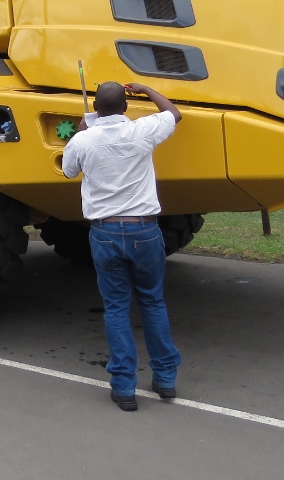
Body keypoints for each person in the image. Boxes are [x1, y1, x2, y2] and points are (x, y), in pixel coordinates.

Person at [61, 80, 182, 411]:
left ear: (95, 109)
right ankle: (166, 379)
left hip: (105, 232)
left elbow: (68, 171)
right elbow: (173, 114)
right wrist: (146, 90)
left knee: (116, 308)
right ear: (125, 107)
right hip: (144, 230)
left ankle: (125, 387)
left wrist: (80, 131)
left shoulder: (84, 139)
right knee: (152, 302)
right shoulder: (142, 130)